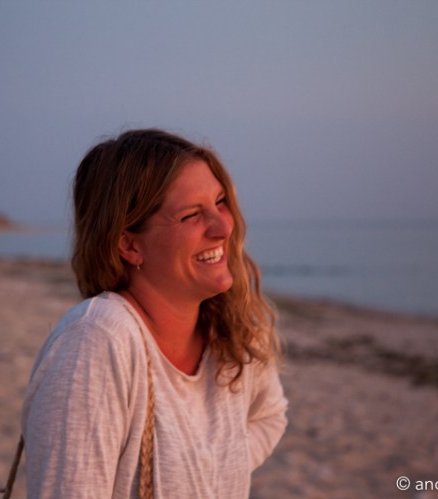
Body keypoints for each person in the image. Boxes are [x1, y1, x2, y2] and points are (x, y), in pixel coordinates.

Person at [20, 129, 287, 498]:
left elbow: (270, 415)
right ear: (129, 245)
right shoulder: (96, 342)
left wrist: (210, 468)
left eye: (220, 201)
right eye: (191, 215)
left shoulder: (231, 330)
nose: (224, 226)